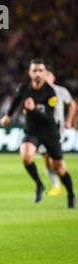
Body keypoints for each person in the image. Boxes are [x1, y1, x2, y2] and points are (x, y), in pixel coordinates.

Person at [0, 59, 75, 208]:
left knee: (58, 167)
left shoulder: (50, 92)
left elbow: (48, 117)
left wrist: (32, 109)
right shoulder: (23, 88)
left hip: (49, 132)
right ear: (30, 72)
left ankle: (71, 194)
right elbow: (16, 100)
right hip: (33, 131)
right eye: (35, 70)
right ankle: (39, 184)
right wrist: (8, 115)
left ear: (44, 73)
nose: (38, 73)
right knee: (26, 156)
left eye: (41, 70)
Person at [40, 66, 77, 196]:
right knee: (46, 159)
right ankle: (56, 186)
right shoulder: (39, 91)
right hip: (42, 129)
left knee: (55, 161)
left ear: (53, 78)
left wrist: (69, 120)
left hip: (56, 130)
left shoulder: (61, 91)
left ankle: (66, 189)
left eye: (48, 76)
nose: (45, 78)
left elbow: (72, 104)